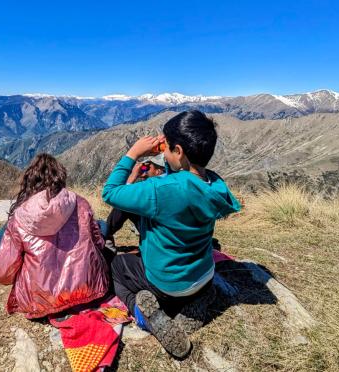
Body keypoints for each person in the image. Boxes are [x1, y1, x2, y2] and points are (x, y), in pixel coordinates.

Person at [102, 111, 241, 358]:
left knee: (112, 267)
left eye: (166, 149)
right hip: (203, 277)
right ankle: (196, 303)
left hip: (166, 284)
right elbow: (183, 178)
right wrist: (164, 161)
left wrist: (133, 153)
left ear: (178, 151)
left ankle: (147, 317)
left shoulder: (160, 191)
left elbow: (110, 192)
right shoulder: (215, 185)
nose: (162, 153)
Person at [0, 153, 109, 319]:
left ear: (30, 182)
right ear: (60, 178)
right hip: (88, 289)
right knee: (103, 225)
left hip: (39, 301)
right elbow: (99, 243)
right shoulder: (80, 203)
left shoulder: (20, 216)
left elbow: (3, 274)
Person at [102, 153, 166, 252]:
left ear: (158, 171)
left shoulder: (149, 189)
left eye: (148, 168)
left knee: (123, 206)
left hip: (156, 238)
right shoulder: (171, 183)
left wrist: (133, 177)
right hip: (162, 232)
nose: (145, 170)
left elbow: (117, 196)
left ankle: (104, 234)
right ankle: (106, 233)